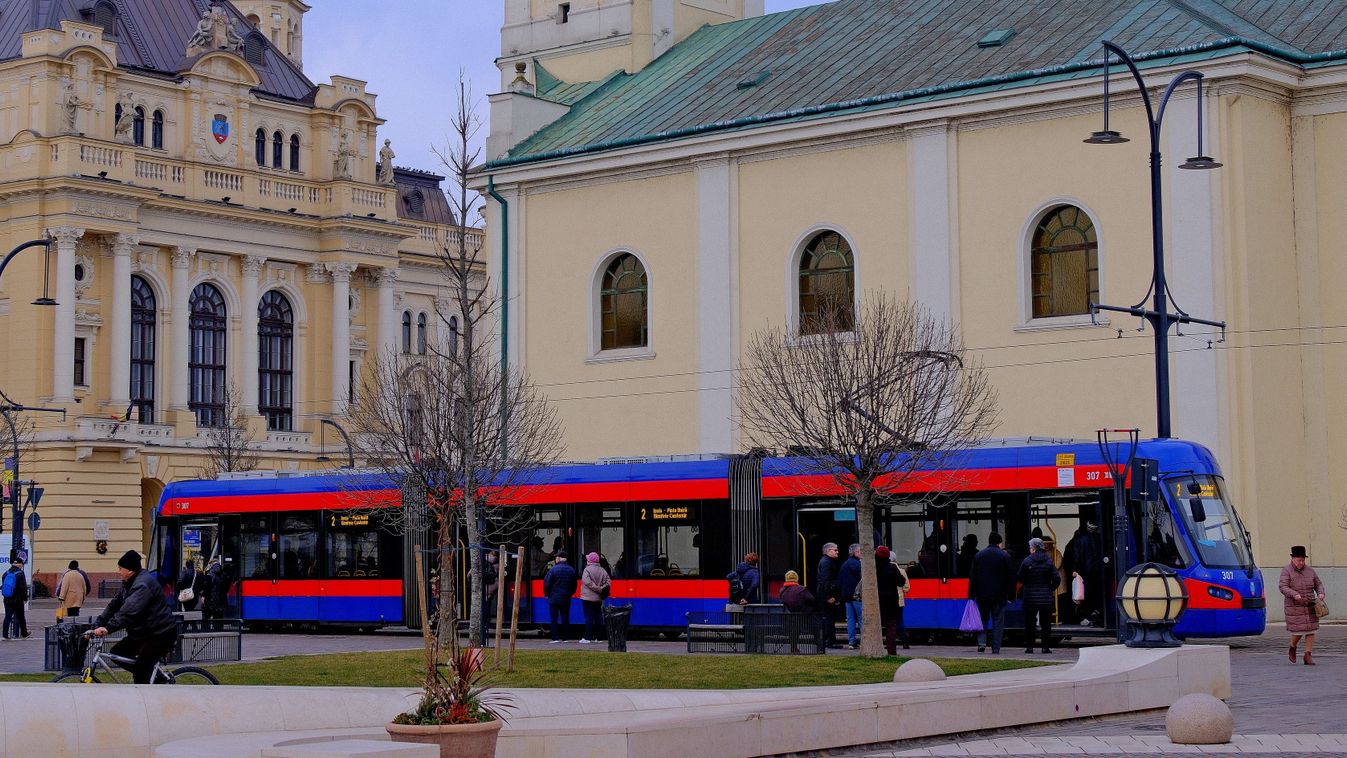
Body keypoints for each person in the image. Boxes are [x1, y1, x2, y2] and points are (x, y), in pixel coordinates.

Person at [93, 550, 178, 684]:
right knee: (117, 653)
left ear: (130, 570)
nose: (118, 571)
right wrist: (98, 624)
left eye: (121, 568)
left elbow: (128, 612)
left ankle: (151, 691)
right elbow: (114, 605)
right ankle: (152, 676)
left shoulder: (142, 585)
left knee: (141, 672)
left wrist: (108, 628)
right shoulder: (130, 582)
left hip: (160, 633)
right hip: (144, 632)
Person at [968, 532, 1015, 654]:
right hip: (1000, 596)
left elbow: (973, 577)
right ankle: (995, 648)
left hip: (982, 596)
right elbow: (1011, 577)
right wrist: (1011, 595)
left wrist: (971, 594)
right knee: (998, 621)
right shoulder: (1004, 556)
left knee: (982, 620)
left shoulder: (979, 555)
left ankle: (982, 644)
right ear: (999, 542)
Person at [1280, 545, 1326, 665]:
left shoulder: (1310, 570)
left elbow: (1318, 584)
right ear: (1293, 559)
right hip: (1295, 607)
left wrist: (1320, 593)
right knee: (1298, 632)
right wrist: (1294, 594)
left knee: (1311, 630)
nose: (1301, 562)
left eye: (1303, 560)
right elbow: (1283, 587)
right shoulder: (1286, 571)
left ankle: (1307, 655)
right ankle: (1292, 646)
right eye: (1299, 560)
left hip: (1310, 605)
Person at [1019, 537, 1057, 654]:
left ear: (1034, 548)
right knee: (1046, 624)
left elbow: (1020, 577)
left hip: (1029, 597)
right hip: (1045, 597)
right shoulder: (1049, 561)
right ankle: (1045, 647)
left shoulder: (1027, 561)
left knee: (1030, 623)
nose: (1030, 549)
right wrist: (1050, 588)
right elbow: (1056, 578)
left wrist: (1027, 585)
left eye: (1030, 547)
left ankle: (1030, 646)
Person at [1063, 521, 1103, 625]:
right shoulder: (1099, 539)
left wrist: (1075, 570)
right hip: (1097, 571)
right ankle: (1095, 613)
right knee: (1095, 593)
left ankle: (1086, 616)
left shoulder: (1079, 539)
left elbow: (1077, 555)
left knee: (1084, 594)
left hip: (1084, 571)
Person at [542, 549, 578, 643]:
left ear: (558, 558)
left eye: (556, 557)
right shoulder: (571, 570)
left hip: (554, 598)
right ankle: (565, 638)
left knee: (554, 618)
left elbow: (547, 583)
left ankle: (555, 638)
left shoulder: (553, 570)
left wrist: (547, 594)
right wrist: (570, 593)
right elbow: (574, 585)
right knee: (565, 617)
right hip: (566, 598)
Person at [874, 546, 905, 655]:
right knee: (891, 626)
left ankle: (875, 650)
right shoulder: (892, 567)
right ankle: (892, 652)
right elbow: (901, 582)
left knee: (875, 625)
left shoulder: (872, 567)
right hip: (891, 601)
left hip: (876, 600)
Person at [779, 570, 815, 654]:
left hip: (787, 618)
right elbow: (812, 599)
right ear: (796, 579)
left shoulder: (782, 590)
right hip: (802, 617)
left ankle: (793, 648)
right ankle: (819, 647)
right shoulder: (802, 589)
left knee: (793, 627)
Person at [578, 552, 610, 644]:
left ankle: (587, 637)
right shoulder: (602, 570)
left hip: (587, 598)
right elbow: (608, 581)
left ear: (590, 560)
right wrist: (601, 588)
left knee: (588, 618)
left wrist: (596, 588)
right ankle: (599, 637)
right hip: (598, 598)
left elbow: (586, 581)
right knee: (598, 617)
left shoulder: (587, 570)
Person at [815, 542, 842, 648]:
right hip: (826, 595)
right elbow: (825, 580)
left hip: (825, 594)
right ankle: (829, 640)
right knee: (828, 619)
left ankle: (829, 640)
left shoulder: (826, 561)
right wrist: (828, 596)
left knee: (829, 618)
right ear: (828, 551)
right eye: (835, 550)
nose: (837, 552)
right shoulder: (827, 562)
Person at [838, 543, 863, 649]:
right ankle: (864, 641)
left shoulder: (844, 564)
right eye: (861, 552)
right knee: (862, 619)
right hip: (857, 596)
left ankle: (851, 642)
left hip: (847, 596)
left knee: (850, 619)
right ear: (856, 552)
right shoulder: (858, 565)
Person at [1, 559, 29, 639]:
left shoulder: (6, 573)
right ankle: (24, 633)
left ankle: (5, 634)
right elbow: (23, 587)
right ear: (20, 564)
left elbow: (5, 586)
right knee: (21, 617)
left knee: (7, 617)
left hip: (7, 599)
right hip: (18, 600)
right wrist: (25, 598)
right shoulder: (20, 573)